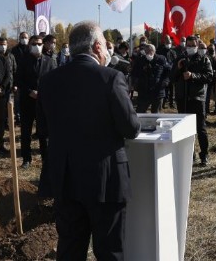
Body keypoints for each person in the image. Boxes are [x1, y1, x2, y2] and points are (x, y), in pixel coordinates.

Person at [37, 21, 140, 260]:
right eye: (105, 46)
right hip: (104, 178)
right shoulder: (111, 78)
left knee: (70, 248)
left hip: (65, 178)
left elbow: (42, 128)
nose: (106, 52)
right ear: (96, 46)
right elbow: (131, 128)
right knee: (110, 250)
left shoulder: (49, 80)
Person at [171, 36, 213, 166]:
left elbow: (209, 76)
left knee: (200, 128)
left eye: (192, 45)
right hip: (182, 98)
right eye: (188, 45)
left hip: (198, 98)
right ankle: (189, 154)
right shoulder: (180, 58)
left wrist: (193, 76)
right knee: (184, 128)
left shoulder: (204, 59)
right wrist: (178, 68)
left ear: (197, 45)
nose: (190, 48)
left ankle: (204, 155)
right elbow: (171, 77)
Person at [17, 35, 57, 168]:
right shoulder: (23, 61)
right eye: (34, 44)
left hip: (43, 101)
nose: (37, 46)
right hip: (27, 100)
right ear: (29, 45)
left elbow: (54, 82)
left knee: (43, 132)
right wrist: (29, 91)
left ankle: (46, 158)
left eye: (39, 44)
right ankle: (26, 159)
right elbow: (19, 80)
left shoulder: (50, 62)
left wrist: (43, 93)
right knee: (26, 132)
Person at [132, 44, 170, 113]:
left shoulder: (161, 59)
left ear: (154, 51)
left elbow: (168, 72)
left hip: (158, 92)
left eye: (150, 51)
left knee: (156, 114)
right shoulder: (140, 60)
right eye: (146, 51)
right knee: (140, 112)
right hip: (144, 92)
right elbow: (134, 73)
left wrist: (164, 83)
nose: (148, 53)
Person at [157, 35, 177, 108]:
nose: (168, 44)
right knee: (164, 89)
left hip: (171, 72)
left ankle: (171, 103)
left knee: (172, 89)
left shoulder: (173, 52)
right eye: (167, 42)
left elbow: (175, 60)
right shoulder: (161, 50)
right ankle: (163, 104)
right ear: (164, 42)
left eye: (169, 42)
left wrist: (172, 66)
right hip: (164, 73)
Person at [205, 44, 216, 115]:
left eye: (213, 49)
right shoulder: (206, 57)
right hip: (208, 78)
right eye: (210, 49)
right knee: (207, 93)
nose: (212, 50)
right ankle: (206, 109)